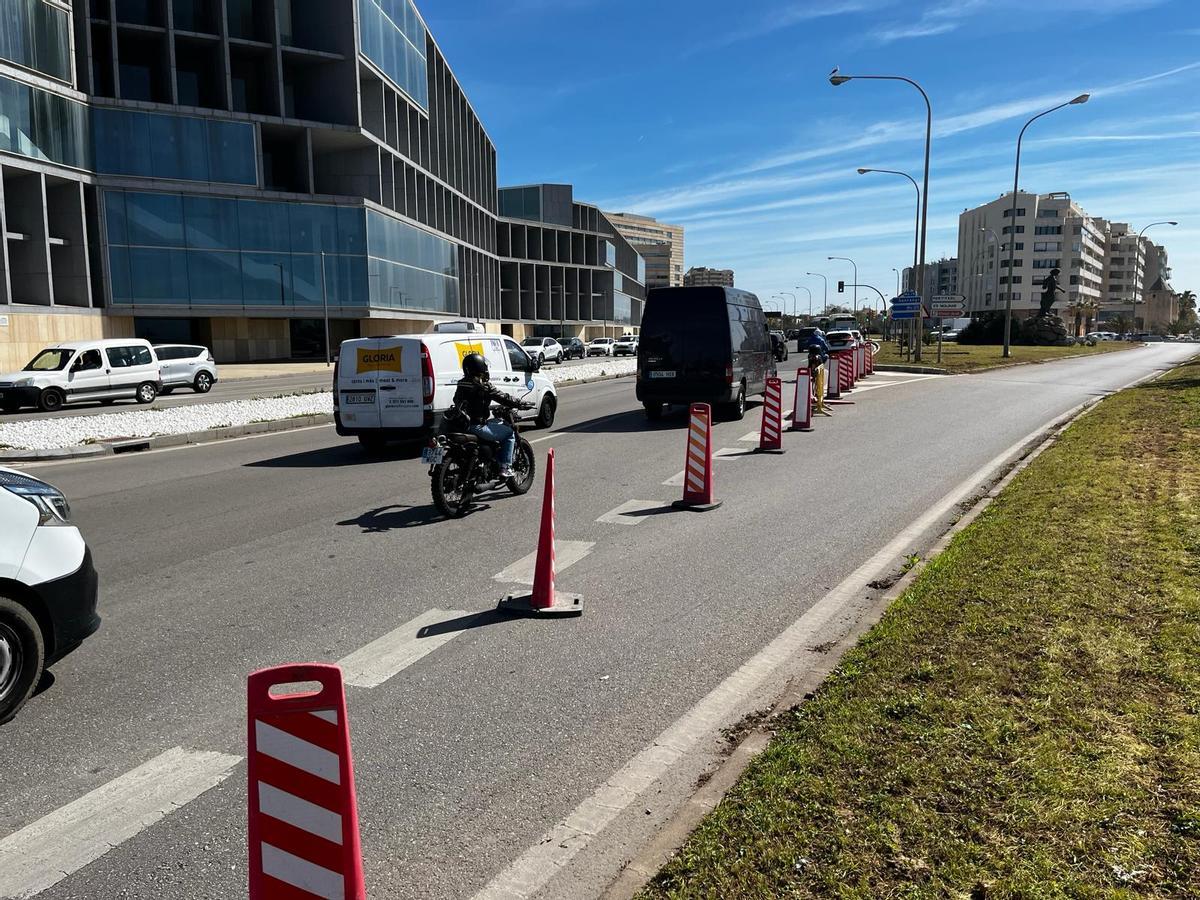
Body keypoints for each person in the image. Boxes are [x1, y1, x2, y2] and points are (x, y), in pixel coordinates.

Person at [452, 353, 523, 478]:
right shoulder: (484, 386)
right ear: (480, 367)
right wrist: (520, 403)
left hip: (461, 425)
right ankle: (505, 467)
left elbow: (456, 400)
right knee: (509, 433)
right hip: (477, 426)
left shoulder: (461, 384)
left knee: (494, 423)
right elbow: (503, 397)